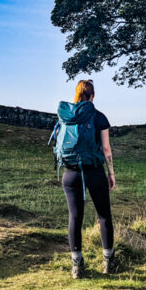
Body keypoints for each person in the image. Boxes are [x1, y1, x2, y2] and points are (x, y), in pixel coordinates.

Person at [56, 79, 116, 278]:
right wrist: (111, 173)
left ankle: (77, 267)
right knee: (104, 216)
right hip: (94, 172)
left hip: (70, 173)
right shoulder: (99, 117)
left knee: (75, 217)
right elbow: (106, 149)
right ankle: (108, 264)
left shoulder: (64, 117)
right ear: (92, 95)